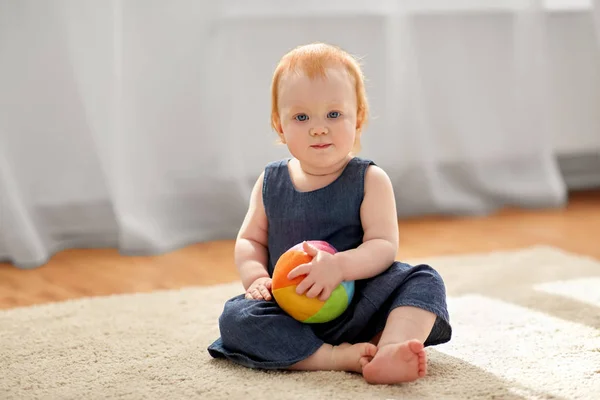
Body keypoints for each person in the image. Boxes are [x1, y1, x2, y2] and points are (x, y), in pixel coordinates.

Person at [207, 42, 452, 384]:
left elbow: (383, 246)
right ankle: (330, 357)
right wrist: (256, 277)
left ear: (359, 118)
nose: (318, 128)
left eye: (333, 115)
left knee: (424, 279)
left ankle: (391, 348)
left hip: (360, 304)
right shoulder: (271, 181)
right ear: (280, 125)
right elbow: (250, 239)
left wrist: (340, 267)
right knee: (235, 317)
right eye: (301, 117)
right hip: (290, 309)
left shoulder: (369, 180)